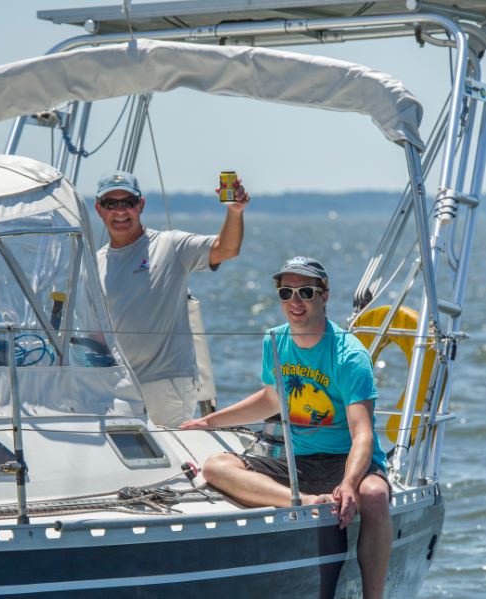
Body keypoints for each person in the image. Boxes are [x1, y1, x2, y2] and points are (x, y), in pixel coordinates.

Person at [180, 256, 391, 599]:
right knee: (216, 466)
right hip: (299, 464)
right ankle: (308, 501)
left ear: (324, 296)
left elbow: (363, 434)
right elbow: (271, 399)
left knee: (374, 495)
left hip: (344, 459)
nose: (295, 301)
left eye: (305, 292)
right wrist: (208, 422)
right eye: (286, 292)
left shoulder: (349, 353)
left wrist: (350, 484)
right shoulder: (275, 342)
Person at [95, 169, 249, 426]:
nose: (120, 211)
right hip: (119, 386)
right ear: (99, 209)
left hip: (168, 382)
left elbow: (227, 249)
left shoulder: (171, 245)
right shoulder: (96, 263)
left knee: (172, 461)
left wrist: (235, 212)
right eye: (111, 204)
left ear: (141, 205)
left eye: (128, 203)